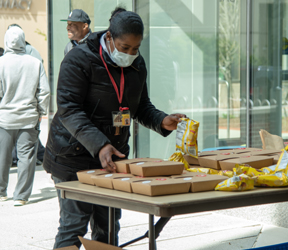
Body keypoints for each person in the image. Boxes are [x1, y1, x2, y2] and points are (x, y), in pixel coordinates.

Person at [43, 7, 185, 248]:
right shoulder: (79, 59)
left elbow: (140, 106)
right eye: (124, 47)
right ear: (109, 37)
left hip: (111, 158)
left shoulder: (137, 64)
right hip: (72, 156)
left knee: (107, 224)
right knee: (74, 224)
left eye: (135, 48)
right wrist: (100, 145)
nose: (130, 54)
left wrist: (161, 120)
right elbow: (69, 108)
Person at [0, 26, 50, 206]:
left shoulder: (1, 63)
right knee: (26, 158)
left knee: (2, 156)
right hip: (29, 118)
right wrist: (41, 112)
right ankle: (21, 196)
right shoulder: (34, 63)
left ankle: (1, 191)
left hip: (5, 119)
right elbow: (44, 92)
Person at [7, 24, 46, 166]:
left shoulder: (30, 53)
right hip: (23, 112)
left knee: (13, 154)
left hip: (18, 112)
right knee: (25, 153)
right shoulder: (10, 58)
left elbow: (40, 86)